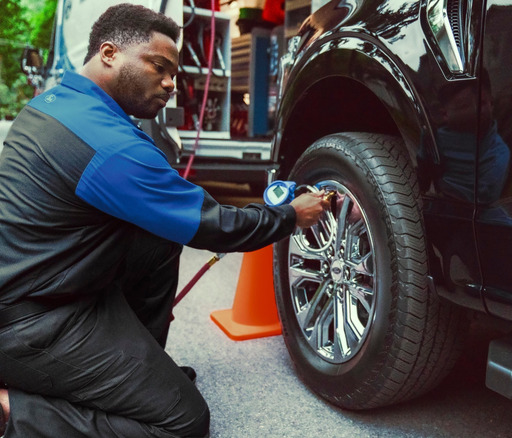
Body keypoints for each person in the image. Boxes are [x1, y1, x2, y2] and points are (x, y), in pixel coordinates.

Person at [0, 3, 328, 437]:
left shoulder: (52, 103)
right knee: (183, 423)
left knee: (157, 240)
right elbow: (213, 224)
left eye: (174, 71)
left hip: (42, 285)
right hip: (30, 325)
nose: (172, 83)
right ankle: (12, 412)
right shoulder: (111, 146)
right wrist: (289, 215)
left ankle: (135, 371)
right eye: (159, 66)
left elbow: (177, 212)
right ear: (109, 53)